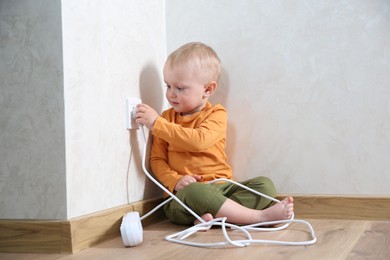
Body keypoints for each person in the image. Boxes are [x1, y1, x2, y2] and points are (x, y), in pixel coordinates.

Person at [135, 42, 293, 226]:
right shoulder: (165, 119)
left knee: (265, 185)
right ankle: (257, 218)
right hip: (184, 196)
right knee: (195, 191)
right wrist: (175, 180)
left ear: (207, 90)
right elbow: (157, 160)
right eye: (168, 86)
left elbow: (199, 141)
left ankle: (215, 218)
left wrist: (155, 124)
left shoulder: (216, 114)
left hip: (223, 189)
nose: (171, 94)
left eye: (180, 88)